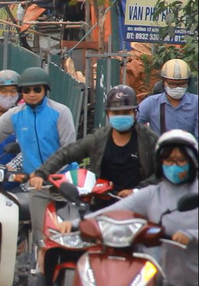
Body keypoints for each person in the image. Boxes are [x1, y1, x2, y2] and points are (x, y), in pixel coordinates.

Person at [56, 130, 198, 286]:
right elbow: (115, 211)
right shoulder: (152, 193)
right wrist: (79, 224)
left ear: (192, 162)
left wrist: (191, 235)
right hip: (153, 272)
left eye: (180, 160)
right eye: (168, 160)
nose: (174, 166)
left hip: (188, 279)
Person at [0, 67, 77, 247]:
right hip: (33, 186)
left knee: (65, 237)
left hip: (63, 184)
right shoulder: (16, 114)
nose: (31, 94)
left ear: (45, 90)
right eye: (26, 90)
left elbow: (68, 149)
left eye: (37, 89)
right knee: (38, 236)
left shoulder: (61, 112)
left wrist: (44, 174)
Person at [30, 85, 158, 207]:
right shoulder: (98, 139)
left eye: (126, 112)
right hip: (101, 207)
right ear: (108, 114)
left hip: (140, 206)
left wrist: (137, 191)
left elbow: (162, 172)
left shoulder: (149, 140)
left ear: (135, 113)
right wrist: (41, 173)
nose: (121, 116)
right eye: (116, 112)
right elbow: (66, 153)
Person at [137, 58, 198, 138]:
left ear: (188, 82)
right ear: (163, 82)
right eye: (172, 84)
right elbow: (134, 124)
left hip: (190, 148)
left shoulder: (196, 103)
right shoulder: (151, 103)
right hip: (160, 148)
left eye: (182, 84)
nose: (177, 88)